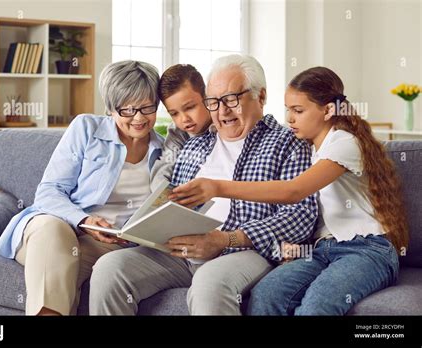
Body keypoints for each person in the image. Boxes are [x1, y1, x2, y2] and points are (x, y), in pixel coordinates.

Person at [88, 54, 318, 315]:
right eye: (214, 102)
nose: (222, 111)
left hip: (243, 251)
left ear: (261, 97)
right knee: (110, 269)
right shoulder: (195, 143)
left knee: (209, 284)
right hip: (181, 250)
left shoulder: (288, 143)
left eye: (232, 99)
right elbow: (169, 193)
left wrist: (224, 239)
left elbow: (300, 216)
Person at [170, 66, 409, 315]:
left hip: (367, 250)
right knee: (267, 294)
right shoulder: (310, 147)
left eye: (298, 110)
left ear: (328, 110)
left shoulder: (344, 143)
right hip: (322, 249)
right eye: (288, 110)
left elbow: (294, 192)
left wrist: (217, 187)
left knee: (318, 304)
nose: (289, 119)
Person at [0, 60, 164, 316]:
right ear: (110, 109)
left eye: (147, 107)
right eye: (127, 110)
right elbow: (49, 191)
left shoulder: (164, 149)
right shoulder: (87, 128)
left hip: (113, 245)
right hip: (56, 227)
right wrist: (84, 220)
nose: (139, 118)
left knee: (63, 272)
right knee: (55, 234)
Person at [150, 64, 212, 191]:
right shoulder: (177, 132)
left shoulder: (224, 125)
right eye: (174, 113)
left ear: (207, 97)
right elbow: (165, 164)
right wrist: (164, 194)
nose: (184, 119)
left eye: (189, 107)